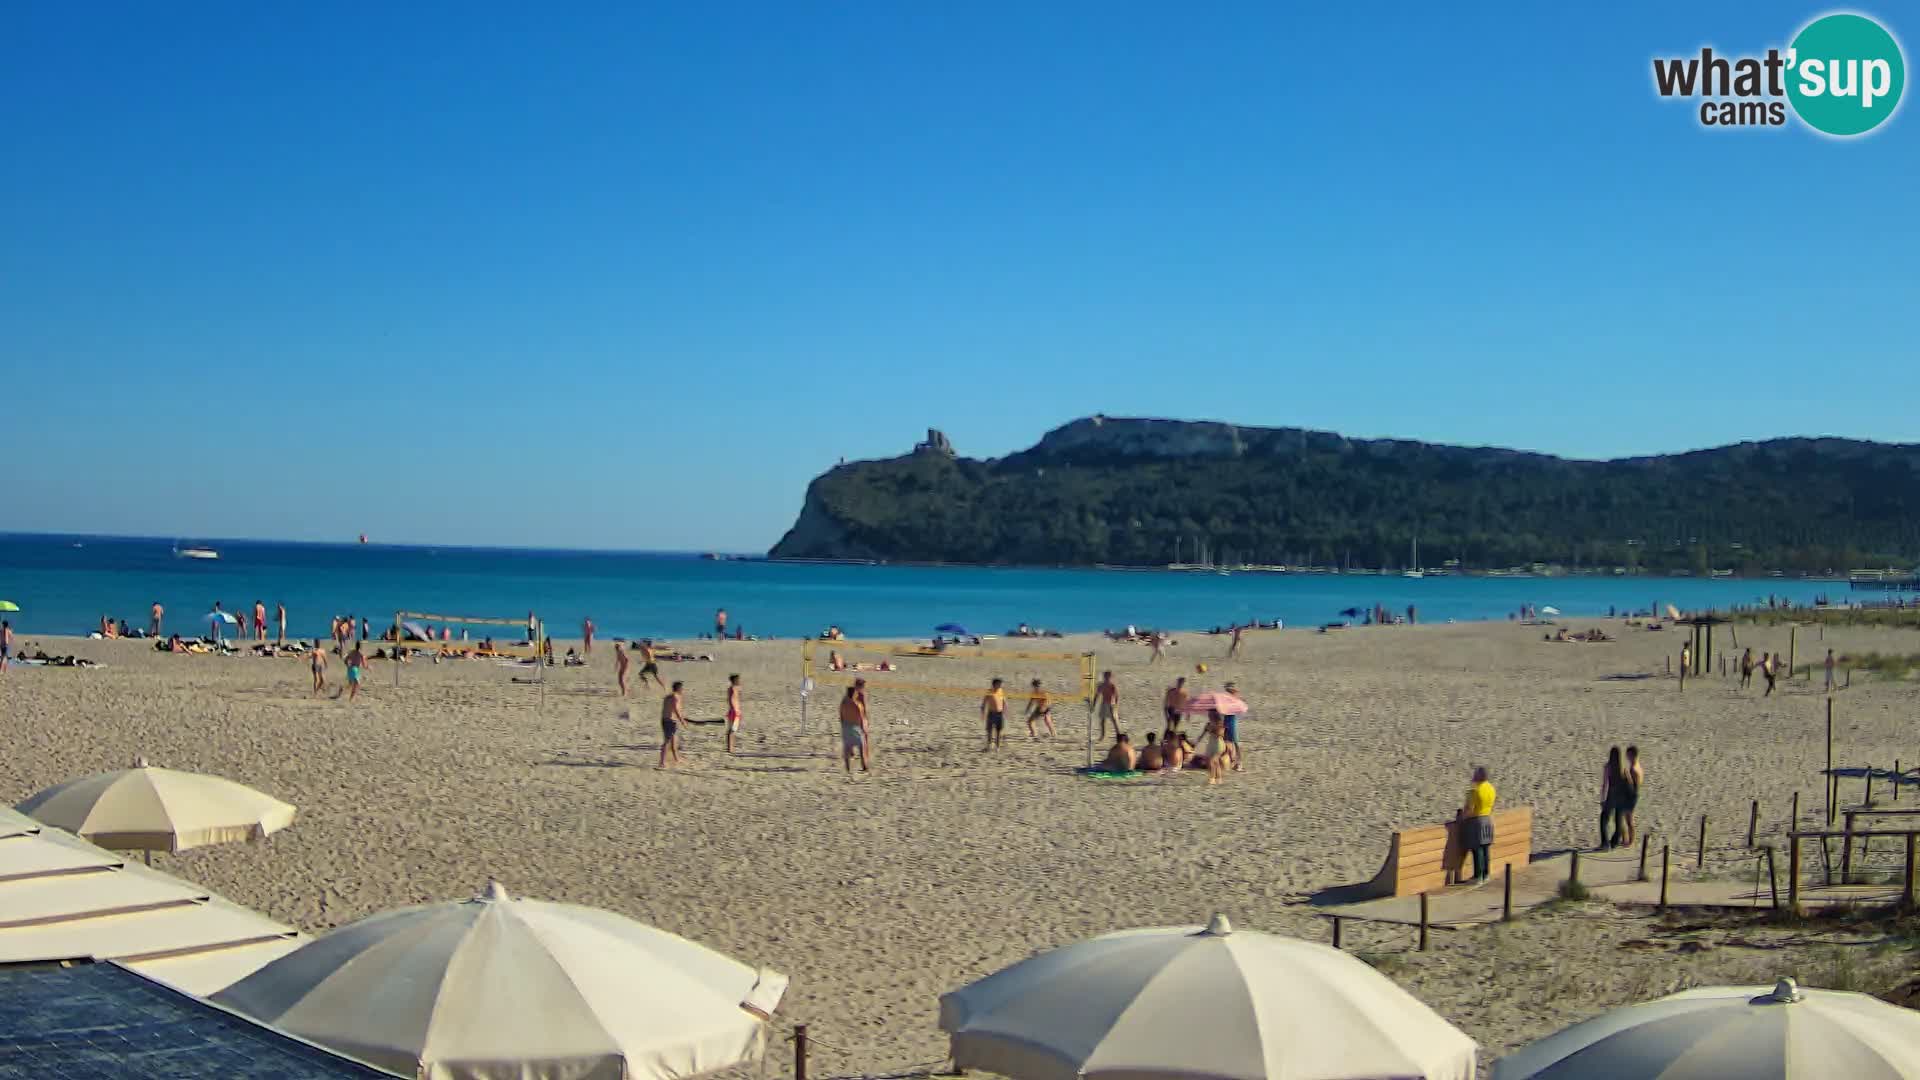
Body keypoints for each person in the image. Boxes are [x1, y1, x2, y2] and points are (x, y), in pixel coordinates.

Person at [1459, 766, 1497, 885]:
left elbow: (1470, 809)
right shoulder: (1491, 788)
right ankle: (1486, 874)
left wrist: (1463, 818)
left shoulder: (1475, 790)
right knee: (1485, 848)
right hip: (1487, 818)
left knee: (1477, 849)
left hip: (1477, 820)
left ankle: (1478, 876)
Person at [838, 685, 870, 774]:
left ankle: (847, 768)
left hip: (846, 727)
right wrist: (864, 729)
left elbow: (841, 716)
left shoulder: (843, 703)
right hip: (856, 727)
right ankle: (864, 766)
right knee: (861, 747)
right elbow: (861, 718)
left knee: (847, 748)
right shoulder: (857, 705)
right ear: (854, 694)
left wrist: (843, 726)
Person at [1616, 746, 1643, 847]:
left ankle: (1629, 841)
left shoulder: (1633, 769)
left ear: (1632, 755)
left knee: (1627, 819)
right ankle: (1627, 839)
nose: (1627, 757)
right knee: (1627, 819)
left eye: (1628, 755)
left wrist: (1626, 775)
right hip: (1633, 795)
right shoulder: (1638, 766)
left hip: (1630, 796)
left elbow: (1632, 785)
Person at [1600, 746, 1625, 849]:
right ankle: (1615, 841)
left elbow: (1605, 784)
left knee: (1604, 819)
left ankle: (1605, 842)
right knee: (1618, 819)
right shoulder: (1623, 767)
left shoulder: (1608, 766)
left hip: (1612, 793)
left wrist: (1602, 799)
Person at [659, 682, 686, 768]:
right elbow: (676, 710)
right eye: (682, 689)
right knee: (667, 742)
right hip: (670, 721)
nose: (683, 690)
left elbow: (667, 710)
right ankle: (662, 763)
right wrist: (682, 721)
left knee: (674, 741)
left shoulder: (668, 697)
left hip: (666, 720)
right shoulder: (675, 697)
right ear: (679, 689)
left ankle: (676, 759)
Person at [981, 677, 1007, 750]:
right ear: (994, 684)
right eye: (999, 684)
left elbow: (1004, 702)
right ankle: (989, 746)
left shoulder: (1001, 691)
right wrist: (983, 713)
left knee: (999, 731)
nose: (1000, 685)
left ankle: (997, 747)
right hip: (991, 713)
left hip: (1000, 714)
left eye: (1000, 684)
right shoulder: (989, 692)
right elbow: (984, 703)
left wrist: (1005, 712)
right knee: (989, 730)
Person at [1095, 671, 1120, 738]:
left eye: (1108, 676)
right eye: (1105, 676)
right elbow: (1097, 695)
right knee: (1102, 721)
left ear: (1110, 677)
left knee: (1114, 720)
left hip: (1111, 704)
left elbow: (1116, 695)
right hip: (1104, 704)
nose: (1106, 678)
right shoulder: (1101, 685)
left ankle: (1119, 735)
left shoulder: (1112, 685)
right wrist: (1094, 704)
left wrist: (1116, 705)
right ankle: (1103, 735)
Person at [725, 673, 743, 753]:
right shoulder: (733, 689)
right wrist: (736, 710)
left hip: (732, 711)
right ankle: (731, 748)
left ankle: (730, 748)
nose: (739, 681)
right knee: (732, 730)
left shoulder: (731, 688)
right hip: (735, 711)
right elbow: (732, 699)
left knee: (731, 730)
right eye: (738, 680)